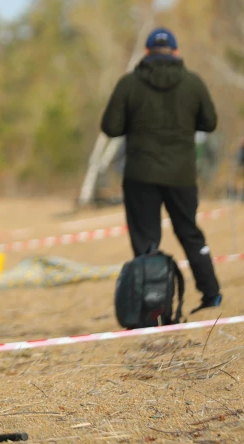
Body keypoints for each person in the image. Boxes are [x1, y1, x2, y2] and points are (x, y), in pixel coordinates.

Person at [100, 27, 223, 313]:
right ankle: (211, 293)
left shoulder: (129, 84)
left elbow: (110, 127)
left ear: (146, 53)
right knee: (189, 233)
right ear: (176, 52)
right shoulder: (193, 84)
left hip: (141, 176)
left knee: (146, 243)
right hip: (181, 176)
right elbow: (210, 122)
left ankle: (152, 305)